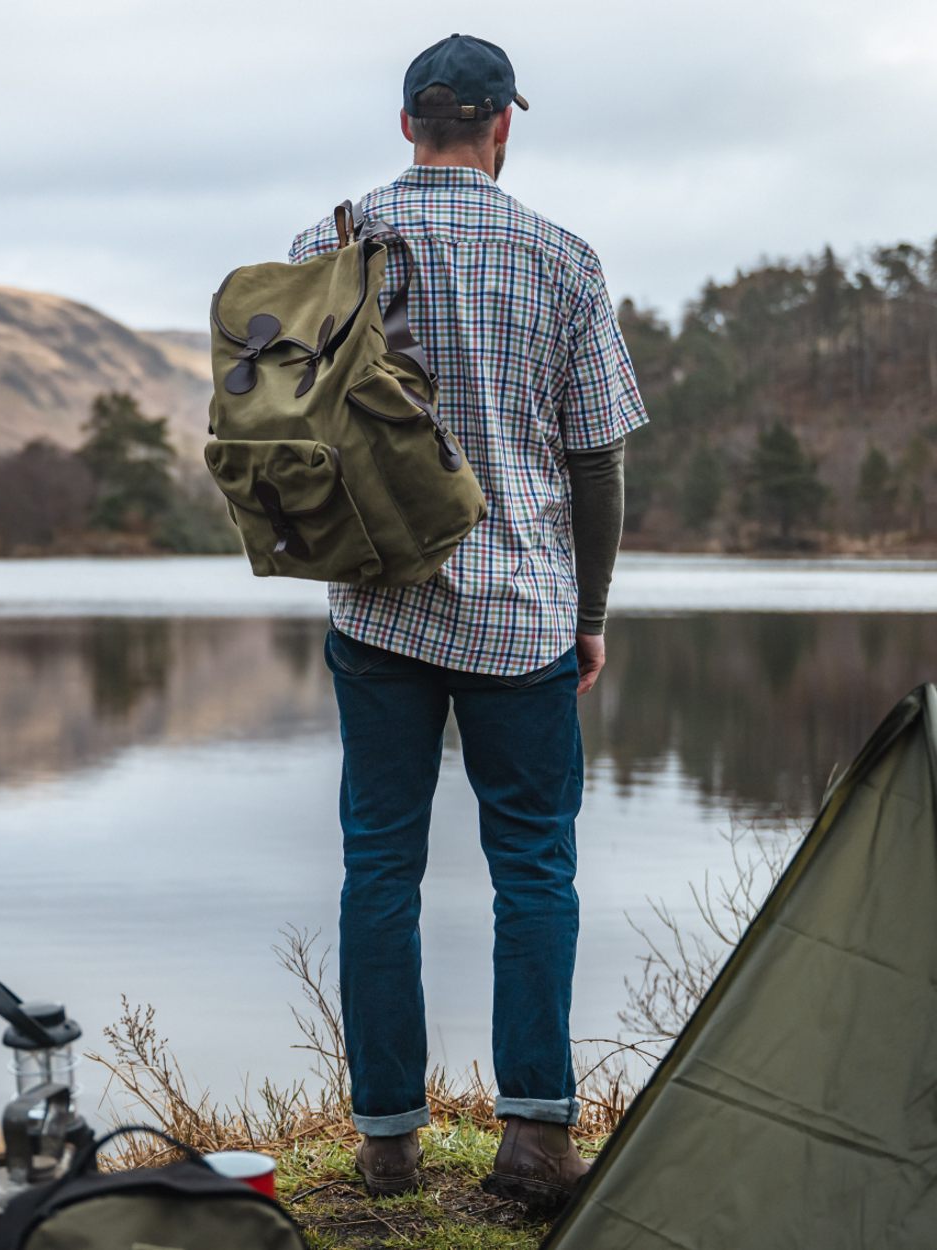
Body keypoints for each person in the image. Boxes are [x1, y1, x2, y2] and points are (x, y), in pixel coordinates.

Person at [289, 33, 648, 1211]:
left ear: (407, 125)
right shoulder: (562, 258)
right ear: (502, 127)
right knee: (534, 868)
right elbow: (596, 463)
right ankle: (536, 1142)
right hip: (526, 614)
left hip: (378, 609)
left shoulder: (327, 245)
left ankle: (386, 1145)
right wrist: (587, 614)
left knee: (377, 868)